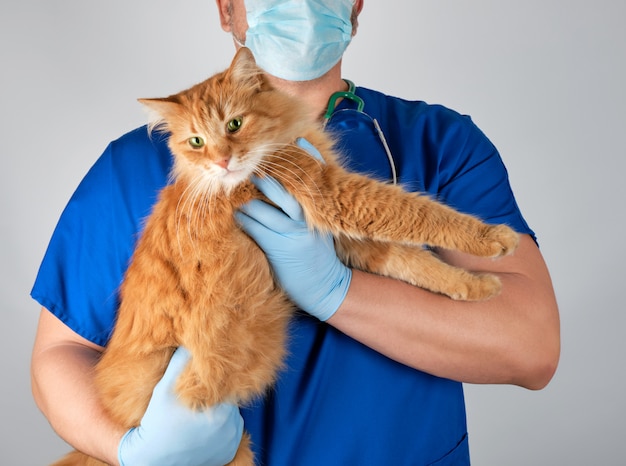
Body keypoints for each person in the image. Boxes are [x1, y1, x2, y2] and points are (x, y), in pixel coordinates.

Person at [30, 0, 560, 464]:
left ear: (355, 6)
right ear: (226, 11)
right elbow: (59, 356)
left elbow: (530, 347)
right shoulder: (134, 164)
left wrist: (339, 291)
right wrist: (131, 452)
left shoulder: (441, 143)